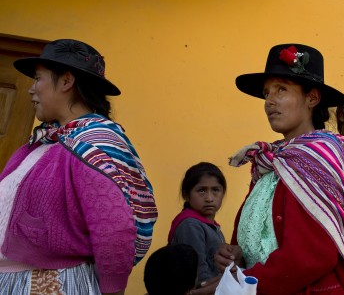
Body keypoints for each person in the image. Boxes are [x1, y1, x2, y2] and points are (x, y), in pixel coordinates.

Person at [211, 44, 344, 295]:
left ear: (312, 98)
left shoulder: (320, 158)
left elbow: (313, 255)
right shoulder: (277, 158)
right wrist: (237, 254)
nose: (270, 101)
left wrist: (244, 282)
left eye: (282, 89)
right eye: (267, 93)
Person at [0, 39, 157, 294]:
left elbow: (114, 230)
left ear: (65, 81)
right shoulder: (46, 142)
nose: (31, 89)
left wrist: (112, 289)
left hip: (49, 285)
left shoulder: (93, 146)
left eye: (38, 79)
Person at [168, 162, 227, 290]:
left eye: (216, 190)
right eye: (201, 190)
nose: (209, 198)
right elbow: (199, 275)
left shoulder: (211, 226)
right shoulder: (190, 225)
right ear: (186, 195)